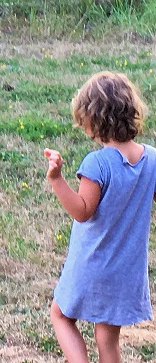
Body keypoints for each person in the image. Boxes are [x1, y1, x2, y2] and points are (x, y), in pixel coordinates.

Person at [44, 71, 156, 363]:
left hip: (92, 264)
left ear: (93, 119)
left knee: (60, 314)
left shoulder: (97, 163)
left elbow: (82, 211)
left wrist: (57, 179)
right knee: (108, 342)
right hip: (126, 272)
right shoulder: (152, 160)